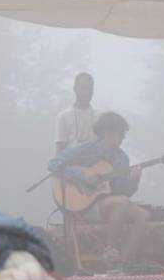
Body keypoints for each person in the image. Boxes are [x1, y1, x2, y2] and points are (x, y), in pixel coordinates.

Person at [47, 112, 152, 267]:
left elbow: (123, 192)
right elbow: (54, 164)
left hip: (106, 204)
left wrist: (135, 180)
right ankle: (109, 251)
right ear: (106, 132)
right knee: (121, 202)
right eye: (119, 133)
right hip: (81, 205)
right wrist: (82, 176)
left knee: (143, 215)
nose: (122, 137)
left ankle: (123, 263)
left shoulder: (122, 159)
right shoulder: (86, 149)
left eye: (123, 134)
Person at [56, 72, 98, 153]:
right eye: (83, 88)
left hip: (96, 164)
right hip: (71, 164)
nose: (86, 93)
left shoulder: (100, 116)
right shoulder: (63, 116)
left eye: (89, 89)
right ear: (75, 89)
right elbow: (60, 150)